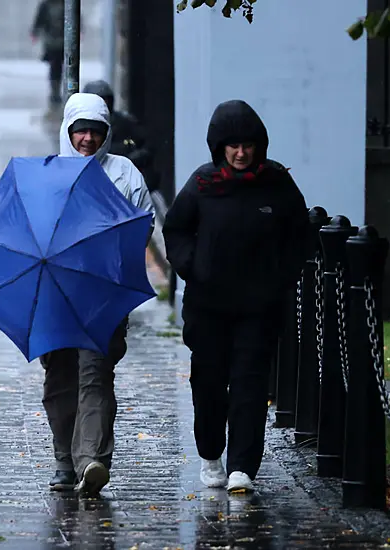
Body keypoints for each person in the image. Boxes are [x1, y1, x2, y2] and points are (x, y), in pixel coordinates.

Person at [162, 100, 308, 494]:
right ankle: (211, 454)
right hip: (208, 306)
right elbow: (175, 229)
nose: (241, 153)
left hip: (258, 307)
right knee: (208, 382)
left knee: (249, 384)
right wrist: (194, 267)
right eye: (233, 146)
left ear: (259, 145)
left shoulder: (276, 185)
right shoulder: (202, 185)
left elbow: (298, 235)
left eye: (248, 145)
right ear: (219, 148)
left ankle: (243, 465)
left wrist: (280, 278)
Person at [41, 92, 155, 496]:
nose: (87, 138)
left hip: (104, 294)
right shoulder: (50, 174)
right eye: (80, 130)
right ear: (67, 131)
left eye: (95, 131)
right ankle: (63, 460)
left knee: (95, 374)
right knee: (59, 378)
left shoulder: (124, 173)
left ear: (107, 133)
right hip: (56, 295)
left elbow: (143, 223)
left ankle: (91, 459)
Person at [81, 79, 158, 193]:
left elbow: (148, 147)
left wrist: (130, 160)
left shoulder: (125, 122)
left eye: (106, 100)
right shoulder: (81, 126)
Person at [31, 0, 66, 106]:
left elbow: (75, 17)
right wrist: (34, 33)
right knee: (54, 66)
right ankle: (55, 91)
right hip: (51, 41)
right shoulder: (45, 5)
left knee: (59, 66)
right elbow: (39, 19)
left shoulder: (65, 4)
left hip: (63, 41)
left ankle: (57, 90)